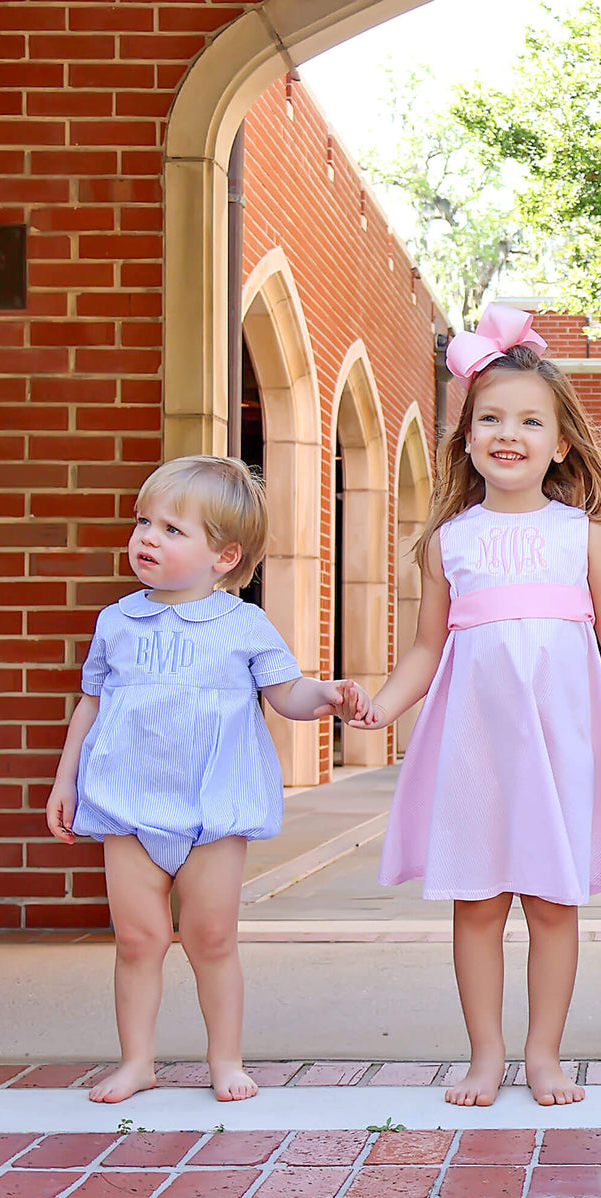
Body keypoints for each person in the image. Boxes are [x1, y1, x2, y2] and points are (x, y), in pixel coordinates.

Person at [361, 304, 601, 1108]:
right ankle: (485, 1055)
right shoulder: (447, 542)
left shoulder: (584, 536)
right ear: (465, 439)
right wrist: (381, 707)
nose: (509, 433)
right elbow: (426, 650)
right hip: (474, 747)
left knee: (553, 902)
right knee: (478, 902)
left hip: (564, 741)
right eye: (490, 417)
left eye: (531, 421)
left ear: (561, 443)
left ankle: (544, 1056)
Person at [46, 456, 373, 1104]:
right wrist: (66, 782)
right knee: (138, 939)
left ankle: (225, 1059)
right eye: (144, 522)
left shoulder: (242, 625)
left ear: (224, 556)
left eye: (171, 529)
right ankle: (137, 1060)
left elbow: (285, 692)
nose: (147, 537)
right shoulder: (117, 622)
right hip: (128, 806)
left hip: (211, 809)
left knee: (211, 937)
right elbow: (91, 702)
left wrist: (326, 695)